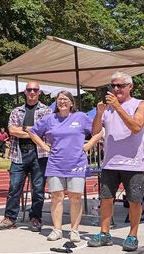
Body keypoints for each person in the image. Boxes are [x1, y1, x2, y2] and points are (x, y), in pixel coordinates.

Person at [28, 91, 102, 243]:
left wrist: (89, 145)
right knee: (57, 197)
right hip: (56, 163)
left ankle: (74, 230)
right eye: (59, 99)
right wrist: (43, 146)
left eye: (65, 99)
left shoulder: (81, 117)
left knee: (75, 197)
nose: (61, 102)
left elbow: (98, 131)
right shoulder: (49, 119)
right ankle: (57, 229)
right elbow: (32, 131)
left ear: (71, 103)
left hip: (77, 163)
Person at [89, 72, 144, 252]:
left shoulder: (140, 104)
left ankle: (132, 235)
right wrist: (99, 114)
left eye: (120, 86)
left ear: (130, 87)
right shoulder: (107, 108)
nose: (115, 89)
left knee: (134, 200)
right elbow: (95, 131)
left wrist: (118, 107)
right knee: (106, 198)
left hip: (133, 163)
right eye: (113, 86)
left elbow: (136, 127)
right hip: (110, 162)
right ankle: (104, 233)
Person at [0, 82, 52, 231]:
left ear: (39, 92)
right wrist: (31, 130)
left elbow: (45, 131)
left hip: (39, 155)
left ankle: (35, 217)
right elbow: (12, 130)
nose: (32, 92)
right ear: (25, 92)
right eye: (29, 90)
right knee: (14, 187)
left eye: (35, 90)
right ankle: (9, 218)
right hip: (19, 154)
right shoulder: (16, 111)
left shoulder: (47, 111)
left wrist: (24, 130)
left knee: (38, 189)